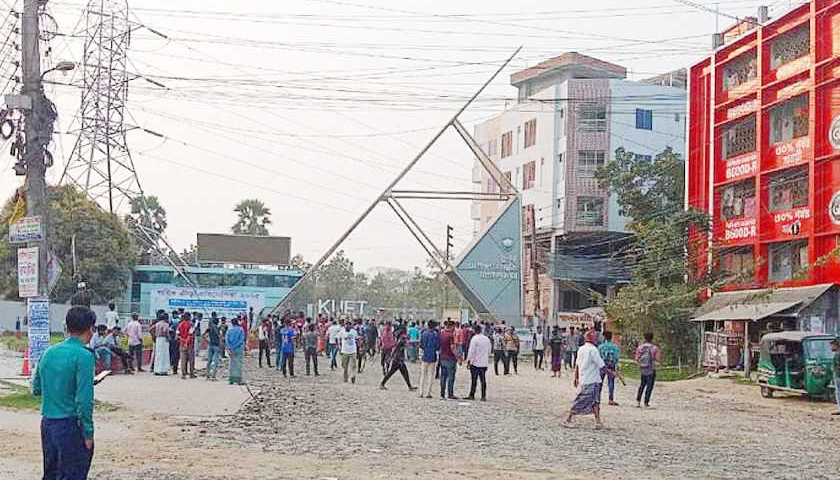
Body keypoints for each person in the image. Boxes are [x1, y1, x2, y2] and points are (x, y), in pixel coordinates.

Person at [32, 306, 97, 480]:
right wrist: (88, 433)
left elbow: (36, 388)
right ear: (90, 328)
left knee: (51, 473)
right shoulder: (84, 356)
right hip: (70, 425)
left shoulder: (48, 352)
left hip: (47, 424)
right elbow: (84, 400)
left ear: (67, 327)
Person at [563, 330, 605, 430]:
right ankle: (568, 418)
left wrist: (576, 377)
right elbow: (601, 365)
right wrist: (610, 372)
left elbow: (577, 364)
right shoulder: (593, 350)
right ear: (592, 339)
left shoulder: (581, 349)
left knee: (595, 401)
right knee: (582, 400)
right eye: (595, 337)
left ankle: (598, 422)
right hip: (592, 380)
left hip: (584, 379)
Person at [380, 327, 417, 391]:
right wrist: (390, 358)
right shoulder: (401, 340)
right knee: (398, 373)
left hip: (398, 359)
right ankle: (382, 384)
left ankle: (409, 386)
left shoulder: (401, 339)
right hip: (398, 360)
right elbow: (395, 349)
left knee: (403, 373)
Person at [635, 332, 660, 408]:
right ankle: (646, 402)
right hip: (651, 369)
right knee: (649, 386)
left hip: (643, 369)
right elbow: (658, 360)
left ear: (644, 338)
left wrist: (641, 364)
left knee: (642, 385)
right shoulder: (655, 348)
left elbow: (636, 359)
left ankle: (638, 402)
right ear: (652, 338)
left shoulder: (640, 348)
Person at [466, 324, 491, 401]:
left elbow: (471, 351)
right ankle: (483, 396)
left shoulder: (474, 339)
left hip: (475, 362)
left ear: (474, 330)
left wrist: (468, 360)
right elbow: (489, 351)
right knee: (483, 380)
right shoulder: (486, 339)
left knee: (474, 380)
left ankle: (472, 395)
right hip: (484, 363)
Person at [598, 331, 621, 406]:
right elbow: (616, 358)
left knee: (599, 382)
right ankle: (610, 399)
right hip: (611, 366)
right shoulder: (615, 347)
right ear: (611, 337)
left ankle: (597, 398)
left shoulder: (600, 346)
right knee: (611, 382)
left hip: (602, 366)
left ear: (604, 337)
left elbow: (598, 357)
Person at [418, 320, 440, 399]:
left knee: (423, 375)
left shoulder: (423, 334)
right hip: (433, 357)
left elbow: (421, 345)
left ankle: (421, 392)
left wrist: (420, 355)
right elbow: (437, 347)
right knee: (431, 375)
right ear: (434, 326)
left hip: (424, 356)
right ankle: (428, 392)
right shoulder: (436, 335)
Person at [438, 320, 459, 400]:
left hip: (442, 357)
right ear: (451, 327)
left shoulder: (441, 334)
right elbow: (453, 348)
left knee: (443, 377)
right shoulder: (450, 336)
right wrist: (458, 357)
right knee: (451, 377)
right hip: (450, 358)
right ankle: (450, 394)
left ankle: (442, 394)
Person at [225, 319, 246, 385]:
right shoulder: (241, 330)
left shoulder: (229, 330)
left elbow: (226, 339)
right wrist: (235, 346)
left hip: (231, 349)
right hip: (238, 349)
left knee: (231, 364)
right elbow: (241, 339)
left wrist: (230, 348)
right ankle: (238, 380)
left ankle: (231, 380)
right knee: (238, 364)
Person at [178, 313, 196, 379]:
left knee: (183, 359)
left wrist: (183, 341)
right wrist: (186, 342)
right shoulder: (191, 324)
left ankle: (183, 374)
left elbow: (178, 335)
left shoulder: (180, 325)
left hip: (181, 344)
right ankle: (191, 373)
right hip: (189, 344)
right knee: (191, 359)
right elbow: (190, 334)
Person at [831, 339, 840, 416]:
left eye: (832, 345)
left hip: (838, 376)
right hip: (837, 375)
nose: (831, 347)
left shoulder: (837, 354)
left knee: (838, 392)